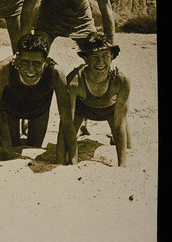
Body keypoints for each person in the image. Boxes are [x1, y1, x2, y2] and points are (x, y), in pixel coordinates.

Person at [0, 33, 77, 164]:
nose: (30, 69)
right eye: (25, 62)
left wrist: (71, 161)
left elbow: (67, 120)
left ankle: (27, 127)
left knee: (34, 146)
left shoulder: (55, 73)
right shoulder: (4, 70)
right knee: (14, 145)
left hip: (39, 111)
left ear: (45, 61)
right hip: (11, 110)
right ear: (17, 57)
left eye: (36, 63)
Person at [56, 32, 131, 167]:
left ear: (112, 57)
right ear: (85, 59)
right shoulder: (75, 81)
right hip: (82, 109)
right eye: (94, 57)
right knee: (69, 132)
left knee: (127, 144)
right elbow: (66, 122)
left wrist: (122, 166)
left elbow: (120, 123)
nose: (100, 62)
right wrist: (62, 161)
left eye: (105, 56)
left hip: (110, 111)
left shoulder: (121, 80)